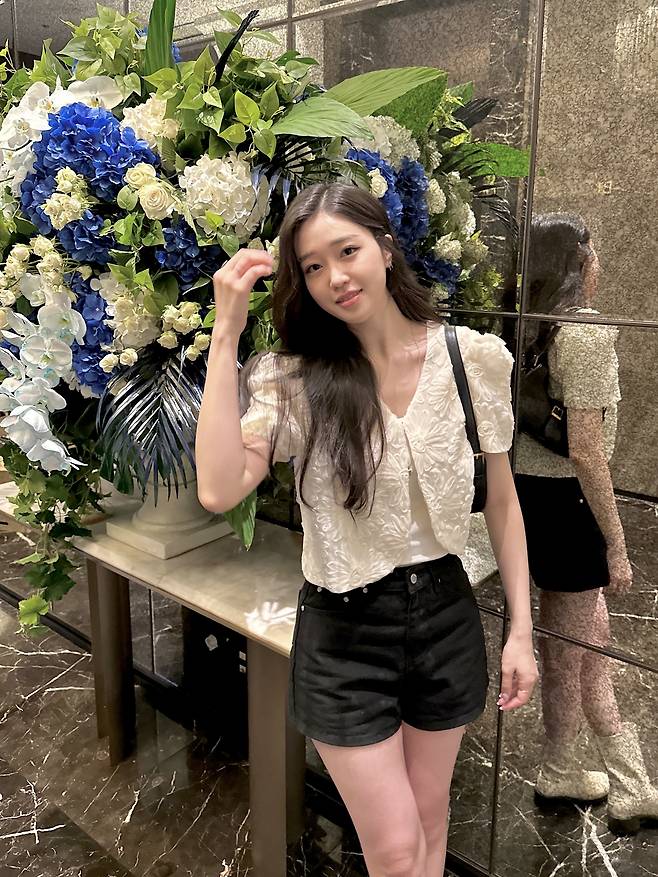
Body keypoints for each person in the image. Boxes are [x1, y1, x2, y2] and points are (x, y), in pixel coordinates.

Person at [196, 181, 537, 875]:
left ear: (385, 247)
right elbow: (218, 487)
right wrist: (224, 334)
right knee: (395, 847)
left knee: (432, 822)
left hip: (446, 615)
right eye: (312, 267)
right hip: (344, 631)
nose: (334, 277)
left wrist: (522, 632)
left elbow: (502, 502)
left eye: (346, 251)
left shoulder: (470, 360)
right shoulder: (296, 381)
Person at [515, 212, 658, 835]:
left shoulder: (529, 326)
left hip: (531, 500)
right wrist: (617, 544)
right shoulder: (585, 332)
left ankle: (606, 777)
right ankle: (589, 776)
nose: (598, 264)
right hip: (570, 508)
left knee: (578, 645)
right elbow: (587, 452)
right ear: (577, 262)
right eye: (591, 253)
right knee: (576, 652)